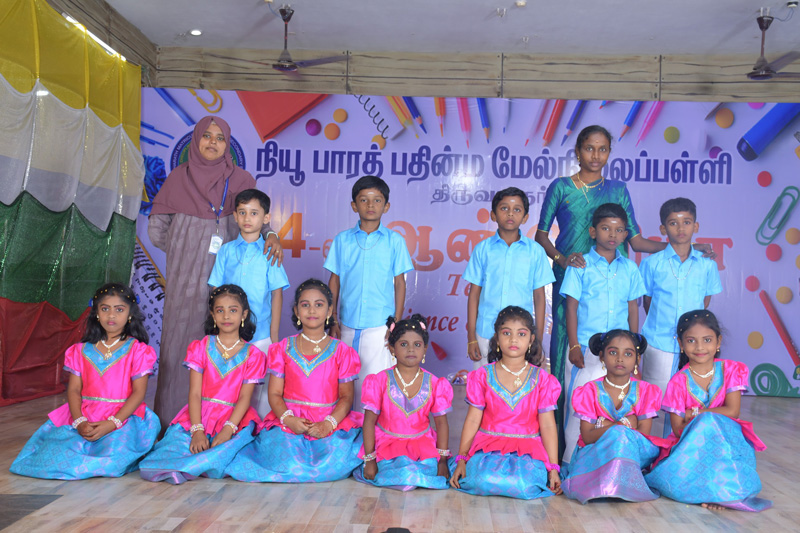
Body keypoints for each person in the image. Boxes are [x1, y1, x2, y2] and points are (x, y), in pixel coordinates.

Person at [534, 125, 711, 444]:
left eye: (603, 149)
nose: (596, 155)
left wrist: (684, 247)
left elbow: (637, 241)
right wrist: (563, 261)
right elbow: (542, 235)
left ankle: (616, 445)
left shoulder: (617, 190)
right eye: (589, 148)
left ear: (609, 153)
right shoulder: (561, 187)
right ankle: (563, 447)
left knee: (616, 363)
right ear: (578, 151)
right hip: (573, 276)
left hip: (614, 276)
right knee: (569, 361)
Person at [148, 116, 282, 430]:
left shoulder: (241, 178)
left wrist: (273, 235)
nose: (213, 142)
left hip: (232, 277)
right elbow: (157, 230)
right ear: (196, 140)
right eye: (207, 136)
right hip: (186, 280)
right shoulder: (178, 178)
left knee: (227, 344)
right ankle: (174, 423)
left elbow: (257, 217)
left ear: (227, 145)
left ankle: (225, 423)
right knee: (182, 343)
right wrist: (185, 251)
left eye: (220, 138)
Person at [11, 283, 159, 479]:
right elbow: (73, 390)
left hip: (123, 417)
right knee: (54, 455)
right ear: (96, 313)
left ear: (130, 313)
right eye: (105, 309)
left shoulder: (138, 351)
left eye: (119, 309)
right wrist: (79, 421)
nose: (111, 315)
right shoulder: (80, 350)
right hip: (85, 414)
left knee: (111, 457)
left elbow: (139, 393)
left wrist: (112, 423)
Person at [225, 279, 364, 483]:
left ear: (329, 311)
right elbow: (275, 394)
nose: (312, 310)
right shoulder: (282, 349)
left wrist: (328, 424)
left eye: (319, 304)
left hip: (328, 422)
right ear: (297, 311)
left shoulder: (342, 352)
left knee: (334, 459)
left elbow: (346, 397)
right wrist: (288, 420)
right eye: (305, 305)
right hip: (288, 421)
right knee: (288, 461)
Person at [645, 310, 772, 512]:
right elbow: (677, 429)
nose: (700, 347)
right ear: (681, 344)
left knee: (708, 422)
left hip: (728, 439)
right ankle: (710, 493)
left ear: (718, 341)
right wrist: (702, 421)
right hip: (692, 446)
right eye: (691, 341)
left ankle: (721, 493)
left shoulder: (731, 370)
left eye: (707, 340)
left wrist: (695, 414)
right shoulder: (678, 382)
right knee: (706, 424)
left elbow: (733, 411)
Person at [139, 285, 266, 484]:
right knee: (169, 455)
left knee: (230, 454)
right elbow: (195, 393)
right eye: (220, 310)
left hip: (234, 418)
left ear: (244, 314)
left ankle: (209, 462)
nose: (226, 316)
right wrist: (197, 430)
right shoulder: (200, 347)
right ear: (212, 315)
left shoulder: (253, 355)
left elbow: (244, 397)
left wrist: (228, 429)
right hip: (199, 415)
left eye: (233, 310)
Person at [559, 203, 646, 464]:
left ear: (625, 235)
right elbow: (571, 307)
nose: (612, 235)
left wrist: (634, 349)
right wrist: (574, 345)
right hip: (586, 350)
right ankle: (570, 463)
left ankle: (606, 464)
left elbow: (633, 308)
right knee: (579, 408)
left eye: (619, 230)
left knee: (616, 406)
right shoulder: (580, 265)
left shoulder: (630, 268)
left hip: (619, 351)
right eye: (606, 228)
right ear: (593, 231)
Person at [449, 306, 562, 499]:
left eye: (521, 334)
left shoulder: (542, 379)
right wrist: (461, 458)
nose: (513, 339)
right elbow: (473, 420)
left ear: (531, 340)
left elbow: (548, 425)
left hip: (528, 450)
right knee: (482, 479)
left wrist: (553, 468)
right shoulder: (483, 376)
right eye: (507, 333)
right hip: (488, 448)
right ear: (497, 338)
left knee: (525, 484)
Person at [324, 175, 414, 408]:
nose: (370, 205)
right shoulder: (342, 240)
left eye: (377, 200)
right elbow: (335, 281)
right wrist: (333, 319)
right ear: (354, 206)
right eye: (364, 200)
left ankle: (370, 428)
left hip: (379, 326)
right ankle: (347, 427)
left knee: (373, 386)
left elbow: (400, 284)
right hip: (347, 323)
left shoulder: (394, 241)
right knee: (343, 384)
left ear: (386, 206)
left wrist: (395, 323)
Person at [640, 198, 722, 438]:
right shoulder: (651, 264)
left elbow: (704, 301)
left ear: (696, 226)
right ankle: (655, 451)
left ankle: (681, 451)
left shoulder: (707, 265)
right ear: (663, 228)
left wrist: (691, 332)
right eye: (673, 223)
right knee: (656, 401)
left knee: (689, 401)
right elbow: (647, 301)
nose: (681, 228)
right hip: (659, 342)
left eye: (687, 222)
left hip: (694, 345)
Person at [208, 188, 289, 416]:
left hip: (261, 334)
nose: (247, 218)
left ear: (266, 218)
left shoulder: (270, 252)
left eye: (254, 213)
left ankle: (259, 428)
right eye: (242, 212)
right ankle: (229, 427)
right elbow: (216, 291)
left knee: (260, 392)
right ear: (235, 216)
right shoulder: (226, 251)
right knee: (230, 388)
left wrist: (274, 336)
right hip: (229, 334)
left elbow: (277, 294)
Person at [561, 330, 665, 504]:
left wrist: (604, 426)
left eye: (628, 354)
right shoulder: (589, 391)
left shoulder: (646, 391)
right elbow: (587, 437)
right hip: (597, 453)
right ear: (602, 356)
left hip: (635, 452)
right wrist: (622, 424)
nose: (620, 359)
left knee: (621, 437)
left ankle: (617, 485)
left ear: (637, 359)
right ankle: (610, 485)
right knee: (620, 434)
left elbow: (642, 435)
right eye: (613, 352)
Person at [354, 314, 453, 491]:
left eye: (417, 345)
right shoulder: (379, 381)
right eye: (403, 344)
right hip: (387, 445)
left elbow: (441, 424)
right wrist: (370, 460)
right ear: (392, 348)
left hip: (422, 446)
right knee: (402, 475)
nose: (411, 349)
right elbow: (369, 422)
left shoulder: (435, 384)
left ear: (425, 348)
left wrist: (443, 460)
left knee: (426, 471)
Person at [463, 187, 554, 369]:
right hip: (486, 331)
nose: (510, 213)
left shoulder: (535, 251)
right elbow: (474, 295)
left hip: (520, 335)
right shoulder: (483, 249)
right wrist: (471, 337)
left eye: (517, 209)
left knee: (517, 383)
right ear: (493, 215)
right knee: (484, 383)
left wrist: (537, 340)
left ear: (525, 217)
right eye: (504, 208)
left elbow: (539, 297)